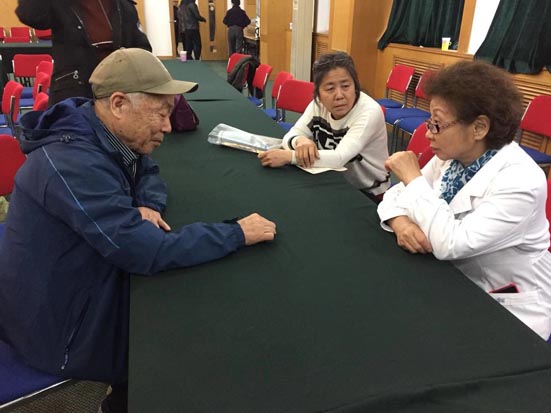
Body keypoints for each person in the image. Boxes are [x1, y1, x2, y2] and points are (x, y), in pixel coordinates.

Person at [0, 48, 276, 413]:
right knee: (173, 341)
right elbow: (147, 251)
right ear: (118, 104)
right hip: (55, 329)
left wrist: (148, 204)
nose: (167, 126)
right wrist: (236, 233)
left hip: (68, 282)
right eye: (160, 113)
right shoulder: (71, 163)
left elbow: (147, 170)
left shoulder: (98, 129)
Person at [377, 60, 551, 339]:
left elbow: (453, 243)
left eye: (437, 124)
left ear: (479, 128)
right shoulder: (456, 156)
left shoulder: (522, 181)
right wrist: (401, 223)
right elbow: (394, 196)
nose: (428, 132)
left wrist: (412, 179)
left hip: (508, 301)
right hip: (455, 278)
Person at [258, 52, 390, 201]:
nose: (339, 95)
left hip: (369, 192)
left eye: (346, 86)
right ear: (318, 93)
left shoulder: (369, 112)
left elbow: (340, 157)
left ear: (355, 86)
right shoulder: (318, 104)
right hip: (334, 178)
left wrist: (290, 157)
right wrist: (301, 140)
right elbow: (292, 134)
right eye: (330, 88)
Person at [16, 0, 152, 105]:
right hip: (74, 94)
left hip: (118, 94)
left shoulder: (123, 5)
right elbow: (29, 15)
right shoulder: (59, 4)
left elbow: (142, 48)